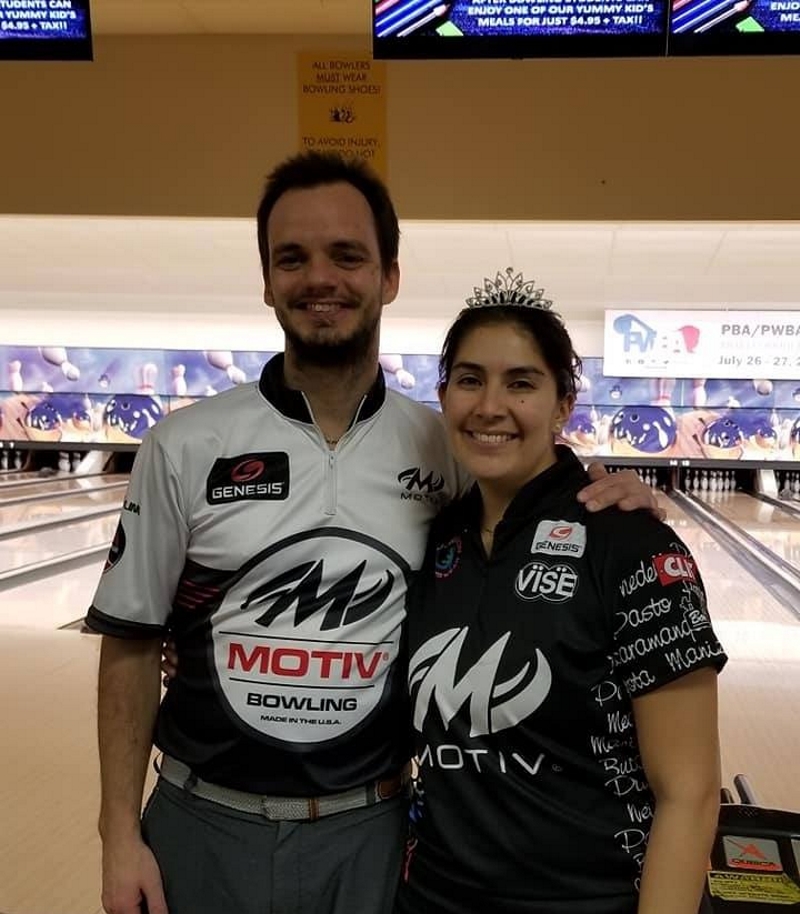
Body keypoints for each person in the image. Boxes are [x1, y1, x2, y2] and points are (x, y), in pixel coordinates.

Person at [86, 151, 661, 914]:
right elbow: (129, 645)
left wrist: (613, 491)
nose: (319, 278)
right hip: (201, 821)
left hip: (373, 829)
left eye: (347, 256)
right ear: (266, 280)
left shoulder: (441, 449)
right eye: (292, 258)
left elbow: (530, 504)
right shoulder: (185, 444)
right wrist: (118, 834)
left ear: (389, 276)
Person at [394, 274, 727, 914]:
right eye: (469, 380)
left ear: (563, 404)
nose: (490, 405)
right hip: (434, 898)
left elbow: (691, 794)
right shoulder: (431, 542)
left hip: (592, 900)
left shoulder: (630, 547)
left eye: (520, 382)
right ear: (443, 396)